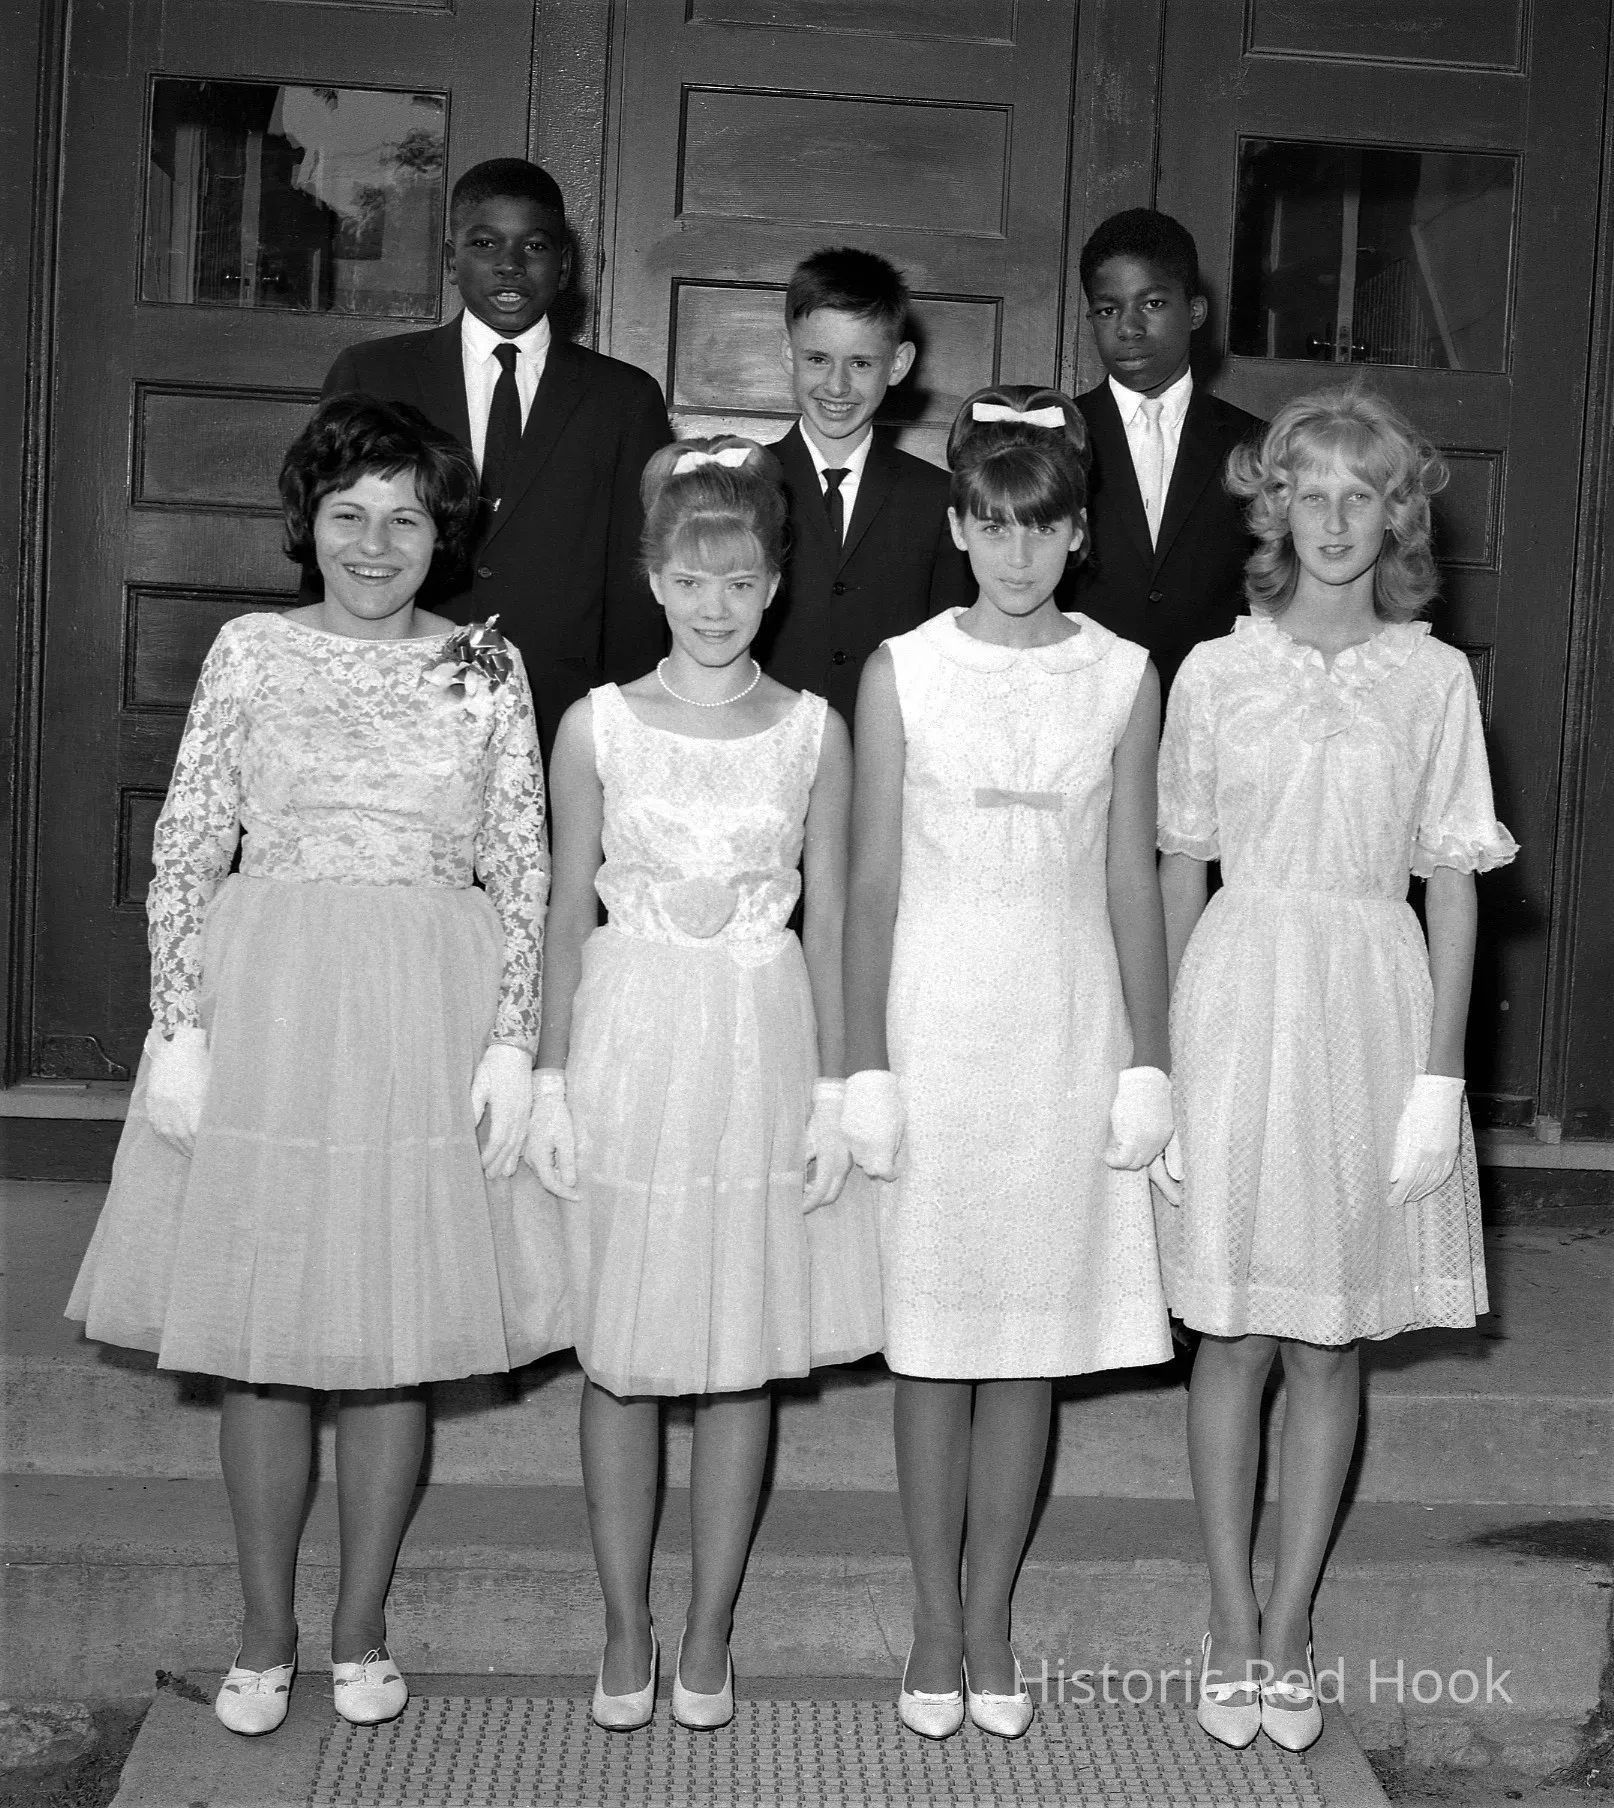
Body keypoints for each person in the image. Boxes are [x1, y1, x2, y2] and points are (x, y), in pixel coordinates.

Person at [66, 395, 559, 1736]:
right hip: (270, 1004)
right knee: (265, 1341)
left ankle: (360, 1624)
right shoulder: (251, 650)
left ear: (443, 533)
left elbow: (521, 859)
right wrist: (178, 1026)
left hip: (425, 1007)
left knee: (394, 1340)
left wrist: (515, 1036)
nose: (375, 544)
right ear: (308, 523)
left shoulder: (485, 664)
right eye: (349, 514)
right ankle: (265, 1625)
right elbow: (188, 839)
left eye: (405, 517)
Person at [1157, 386, 1517, 1754]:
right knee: (1233, 1331)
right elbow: (1181, 866)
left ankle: (1290, 1616)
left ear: (1396, 516)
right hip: (1237, 999)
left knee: (1324, 1339)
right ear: (1274, 510)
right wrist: (1161, 1062)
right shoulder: (1213, 670)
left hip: (1369, 1007)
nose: (1331, 517)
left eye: (1359, 494)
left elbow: (1453, 881)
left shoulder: (1432, 680)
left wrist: (1440, 1078)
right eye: (1307, 491)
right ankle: (1227, 1614)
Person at [522, 438, 882, 1732]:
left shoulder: (814, 732)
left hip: (758, 1042)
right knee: (620, 1352)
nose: (713, 605)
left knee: (737, 1356)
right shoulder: (596, 724)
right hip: (628, 1041)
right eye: (689, 579)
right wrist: (549, 1078)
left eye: (738, 582)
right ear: (653, 578)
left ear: (774, 585)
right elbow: (564, 911)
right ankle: (624, 1623)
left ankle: (711, 1628)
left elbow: (830, 919)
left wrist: (835, 1090)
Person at [841, 386, 1178, 1741]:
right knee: (934, 1343)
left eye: (1042, 526)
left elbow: (1134, 879)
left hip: (1062, 1024)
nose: (1018, 551)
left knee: (1026, 1342)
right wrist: (860, 1063)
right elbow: (869, 882)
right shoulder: (901, 669)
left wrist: (1149, 1059)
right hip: (935, 1018)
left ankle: (991, 1618)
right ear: (960, 527)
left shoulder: (1124, 675)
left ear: (1079, 532)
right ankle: (932, 1619)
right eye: (994, 523)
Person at [321, 158, 672, 760]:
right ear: (449, 257)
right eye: (485, 243)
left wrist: (622, 729)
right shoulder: (371, 374)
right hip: (395, 693)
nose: (510, 264)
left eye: (535, 246)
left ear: (566, 265)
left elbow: (637, 580)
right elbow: (330, 546)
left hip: (559, 710)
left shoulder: (624, 398)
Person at [757, 246, 970, 729]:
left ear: (898, 364)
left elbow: (948, 658)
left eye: (860, 363)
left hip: (889, 751)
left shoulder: (939, 498)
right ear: (788, 353)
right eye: (817, 358)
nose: (836, 386)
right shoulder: (741, 482)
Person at [1070, 208, 1262, 697]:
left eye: (1152, 304)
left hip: (1216, 703)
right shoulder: (1054, 435)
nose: (1128, 328)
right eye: (1107, 310)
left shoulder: (1257, 444)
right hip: (1082, 699)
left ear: (1195, 312)